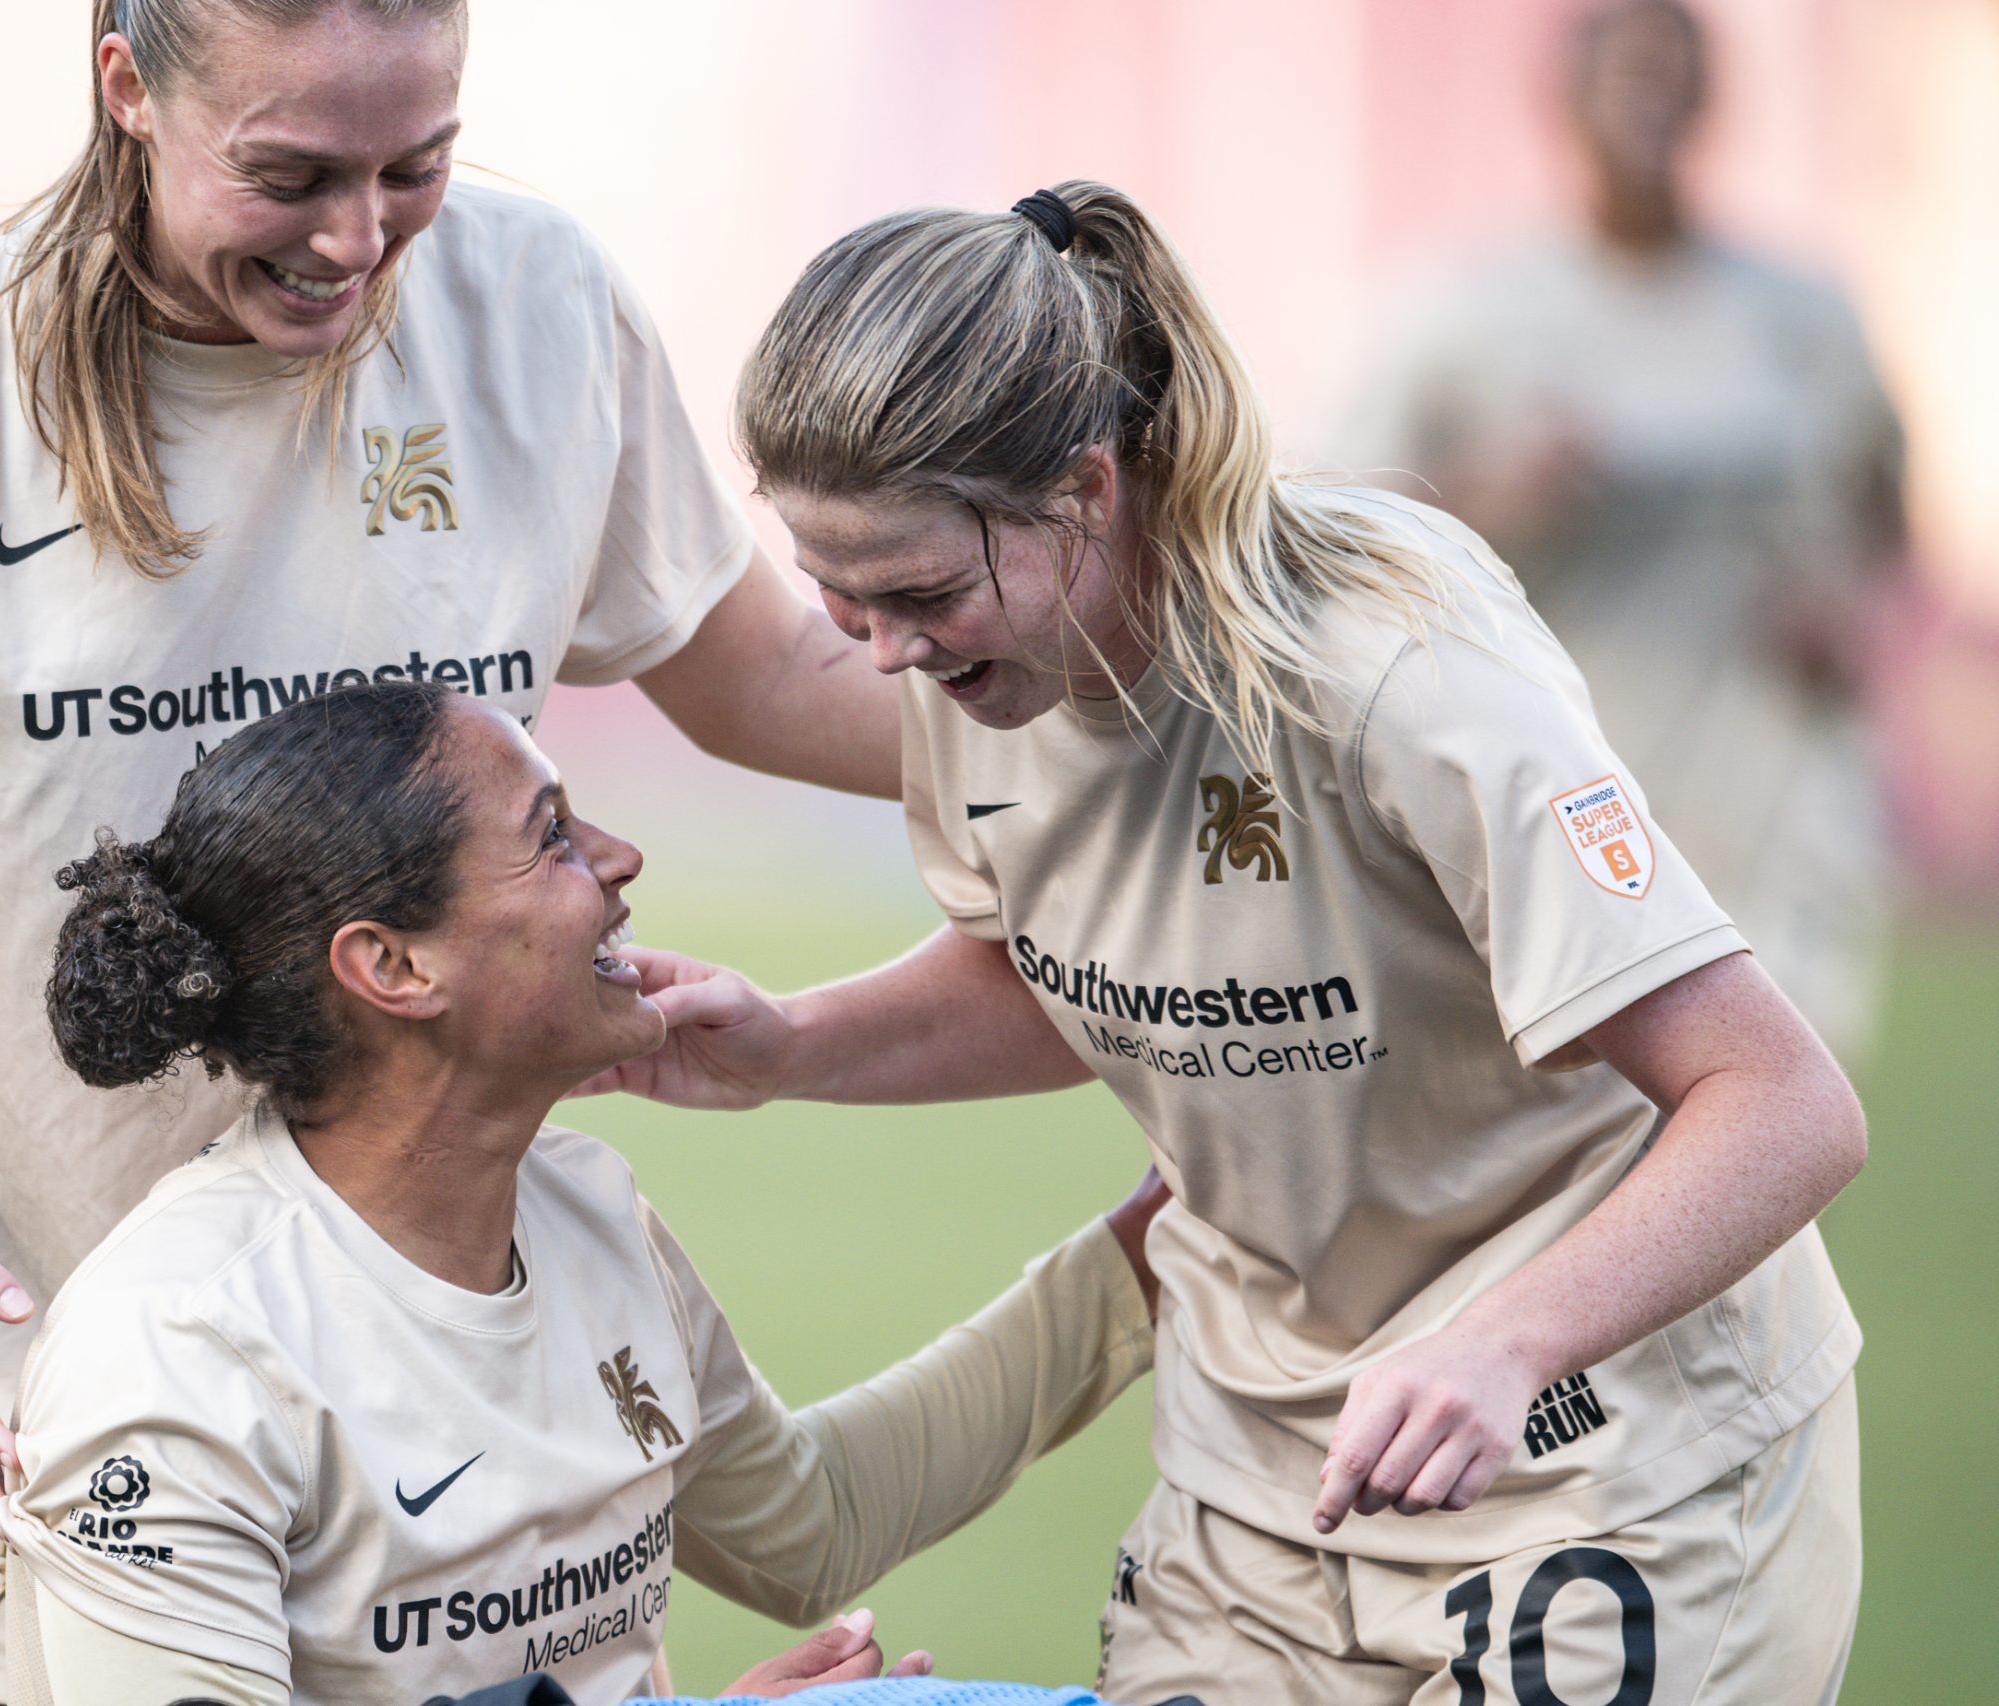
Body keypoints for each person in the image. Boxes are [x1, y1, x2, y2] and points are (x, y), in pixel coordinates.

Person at [0, 3, 896, 1700]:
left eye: (417, 168)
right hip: (12, 1389)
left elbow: (764, 676)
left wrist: (1122, 716)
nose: (357, 241)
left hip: (424, 1388)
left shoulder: (541, 313)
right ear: (127, 90)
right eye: (291, 174)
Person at [588, 181, 1869, 1702]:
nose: (885, 655)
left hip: (1608, 1475)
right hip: (1253, 1492)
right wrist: (796, 1046)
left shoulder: (1397, 670)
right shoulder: (979, 686)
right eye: (836, 595)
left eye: (921, 591)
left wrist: (1507, 1344)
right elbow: (1088, 969)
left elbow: (1784, 1104)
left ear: (1085, 487)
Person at [0, 680, 1164, 1706]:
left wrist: (1160, 1249)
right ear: (395, 966)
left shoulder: (583, 1206)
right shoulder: (174, 1349)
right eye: (550, 835)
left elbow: (812, 1523)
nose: (618, 855)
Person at [1337, 0, 1908, 1064]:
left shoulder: (1801, 312)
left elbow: (1882, 498)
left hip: (1766, 770)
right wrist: (1492, 494)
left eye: (1670, 74)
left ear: (1708, 98)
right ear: (1562, 100)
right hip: (1567, 775)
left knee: (1775, 1108)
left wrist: (1850, 602)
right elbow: (1338, 523)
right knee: (1593, 1116)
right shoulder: (1468, 310)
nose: (1646, 101)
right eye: (1620, 75)